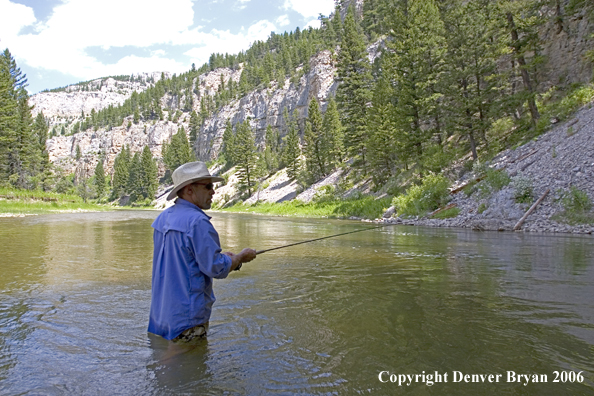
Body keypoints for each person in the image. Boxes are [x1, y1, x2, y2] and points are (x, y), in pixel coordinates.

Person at [148, 161, 257, 341]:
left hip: (160, 317)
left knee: (164, 365)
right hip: (187, 320)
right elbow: (216, 268)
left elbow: (184, 260)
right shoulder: (198, 222)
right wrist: (239, 258)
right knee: (190, 365)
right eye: (208, 186)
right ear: (190, 190)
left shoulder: (162, 218)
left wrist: (225, 258)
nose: (213, 192)